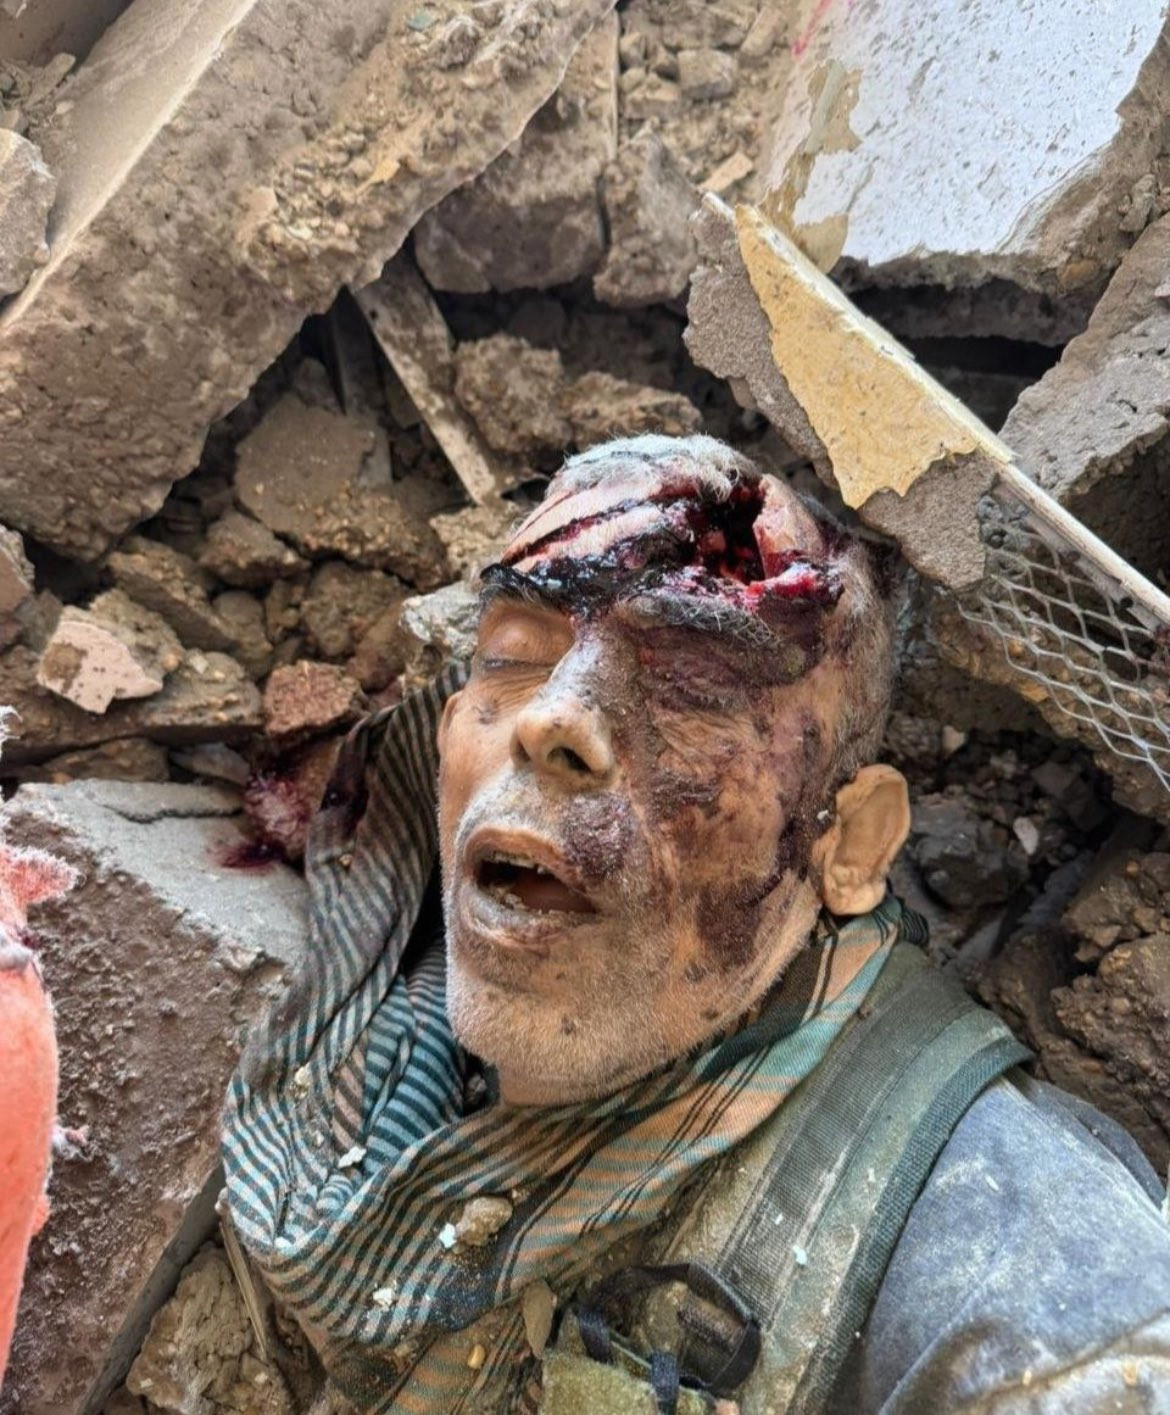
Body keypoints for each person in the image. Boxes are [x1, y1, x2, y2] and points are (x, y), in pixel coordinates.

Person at [223, 436, 1170, 1414]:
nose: (551, 719)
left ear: (849, 844)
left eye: (691, 695)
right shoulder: (360, 1019)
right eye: (514, 659)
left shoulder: (1012, 1269)